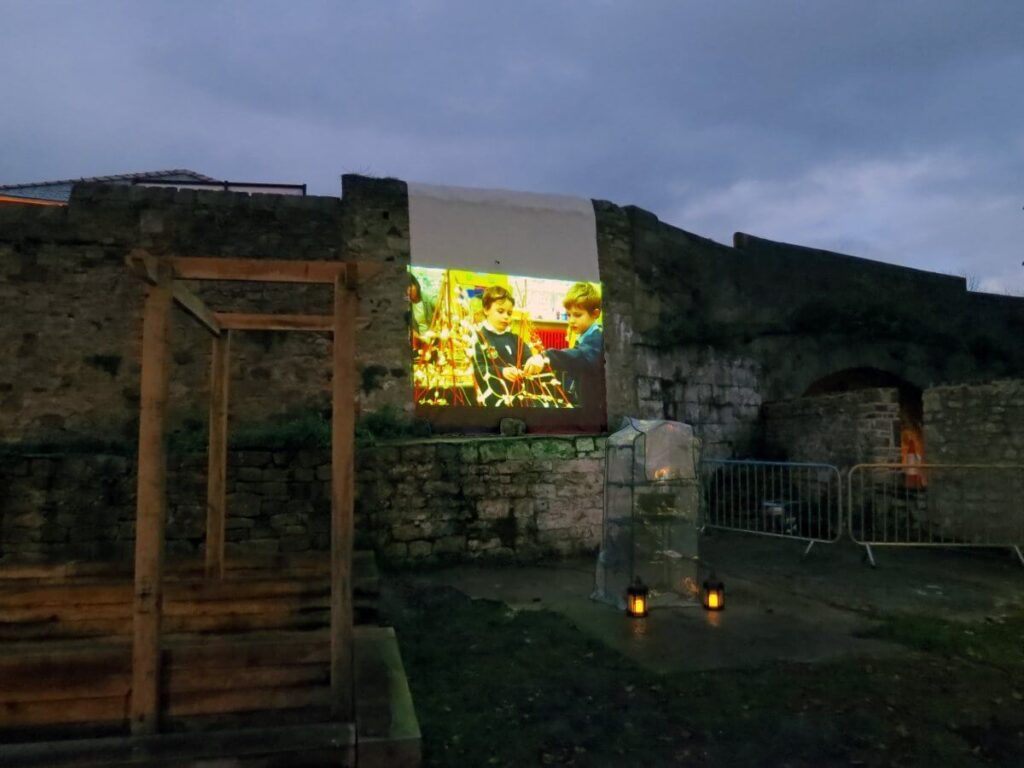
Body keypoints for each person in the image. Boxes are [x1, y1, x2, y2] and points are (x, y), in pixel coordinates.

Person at [523, 282, 604, 409]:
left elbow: (579, 355)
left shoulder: (597, 340)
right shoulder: (583, 336)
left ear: (595, 314)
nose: (571, 320)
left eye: (577, 315)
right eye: (569, 315)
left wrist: (546, 357)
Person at [472, 285, 534, 407]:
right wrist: (502, 371)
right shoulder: (478, 337)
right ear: (486, 309)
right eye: (500, 311)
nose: (506, 316)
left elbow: (528, 357)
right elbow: (477, 368)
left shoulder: (515, 338)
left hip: (518, 397)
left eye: (509, 313)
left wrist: (530, 364)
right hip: (492, 399)